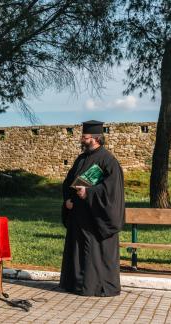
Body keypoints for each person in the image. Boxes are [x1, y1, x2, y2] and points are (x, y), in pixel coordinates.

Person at [60, 120, 125, 297]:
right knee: (78, 250)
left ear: (95, 138)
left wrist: (89, 193)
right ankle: (76, 284)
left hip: (95, 217)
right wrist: (67, 200)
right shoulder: (81, 159)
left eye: (84, 136)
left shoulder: (108, 161)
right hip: (78, 214)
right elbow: (68, 182)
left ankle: (96, 286)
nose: (82, 139)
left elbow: (112, 190)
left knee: (93, 251)